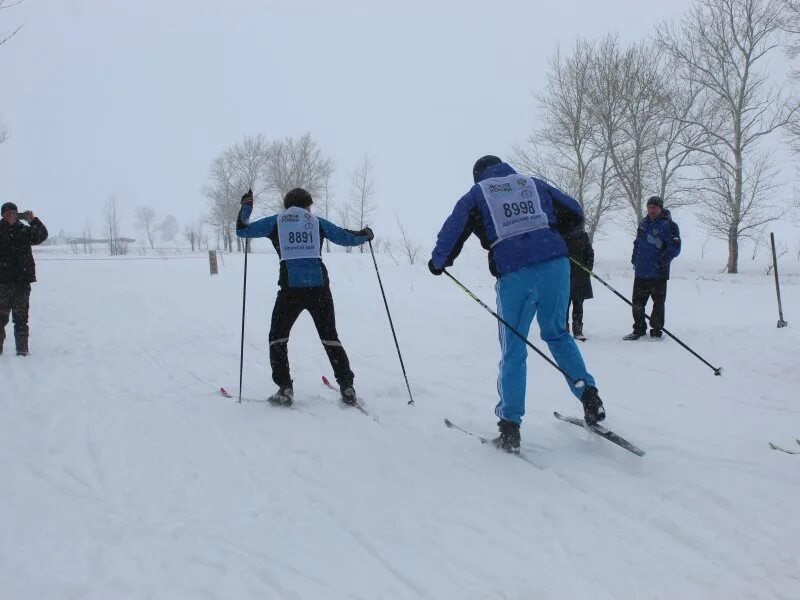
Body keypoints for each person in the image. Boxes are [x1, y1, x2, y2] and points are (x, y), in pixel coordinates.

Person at [428, 155, 605, 454]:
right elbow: (574, 212)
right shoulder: (531, 183)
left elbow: (453, 228)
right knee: (557, 334)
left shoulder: (478, 193)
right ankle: (590, 397)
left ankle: (510, 428)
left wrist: (439, 261)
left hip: (515, 271)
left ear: (478, 175)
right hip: (555, 264)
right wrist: (545, 233)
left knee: (514, 347)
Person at [235, 187, 373, 406]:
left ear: (287, 205)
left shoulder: (277, 221)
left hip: (291, 288)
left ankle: (285, 388)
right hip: (319, 287)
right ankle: (347, 386)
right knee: (330, 337)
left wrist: (247, 205)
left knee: (278, 337)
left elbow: (242, 230)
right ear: (307, 204)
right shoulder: (316, 221)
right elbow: (345, 237)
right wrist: (365, 234)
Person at [624, 196, 681, 341]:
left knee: (658, 304)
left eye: (654, 207)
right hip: (641, 271)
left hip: (658, 273)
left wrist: (662, 262)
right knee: (637, 303)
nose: (651, 210)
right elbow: (637, 243)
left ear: (660, 208)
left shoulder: (670, 225)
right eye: (649, 207)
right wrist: (634, 258)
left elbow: (674, 248)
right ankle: (638, 329)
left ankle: (656, 331)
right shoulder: (643, 223)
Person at [0, 202, 49, 356]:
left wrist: (33, 220)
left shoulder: (24, 230)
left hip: (22, 283)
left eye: (14, 213)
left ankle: (22, 351)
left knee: (21, 319)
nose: (11, 216)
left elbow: (42, 235)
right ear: (3, 215)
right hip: (3, 284)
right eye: (8, 214)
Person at [564, 225, 594, 341]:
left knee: (578, 304)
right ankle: (563, 329)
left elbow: (589, 253)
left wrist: (587, 268)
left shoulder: (582, 235)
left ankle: (578, 330)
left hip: (580, 275)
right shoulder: (559, 235)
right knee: (564, 305)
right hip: (564, 275)